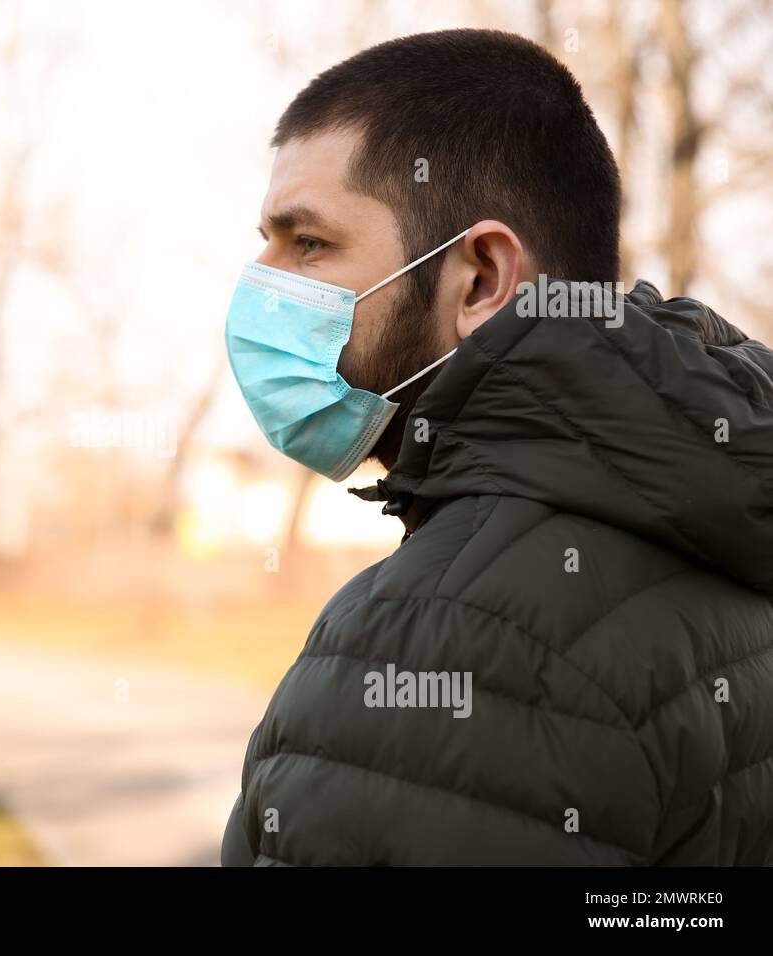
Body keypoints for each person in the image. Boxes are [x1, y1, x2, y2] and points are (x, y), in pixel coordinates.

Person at [220, 28, 773, 865]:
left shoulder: (446, 646)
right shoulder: (720, 528)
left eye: (308, 243)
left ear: (480, 277)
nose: (260, 286)